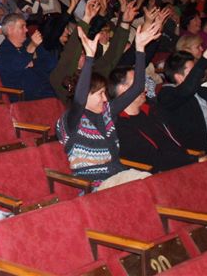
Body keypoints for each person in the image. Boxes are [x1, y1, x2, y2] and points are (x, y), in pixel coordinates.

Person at [56, 23, 160, 190]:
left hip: (117, 176)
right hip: (94, 185)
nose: (105, 99)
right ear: (86, 94)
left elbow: (137, 88)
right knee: (147, 184)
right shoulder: (71, 120)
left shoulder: (106, 113)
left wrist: (140, 49)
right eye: (100, 94)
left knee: (151, 183)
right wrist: (89, 58)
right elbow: (79, 101)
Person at [0, 13, 57, 101]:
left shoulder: (28, 42)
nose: (26, 30)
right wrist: (31, 50)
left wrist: (33, 61)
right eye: (22, 27)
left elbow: (51, 63)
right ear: (10, 29)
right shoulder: (3, 51)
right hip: (24, 97)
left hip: (46, 89)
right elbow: (16, 68)